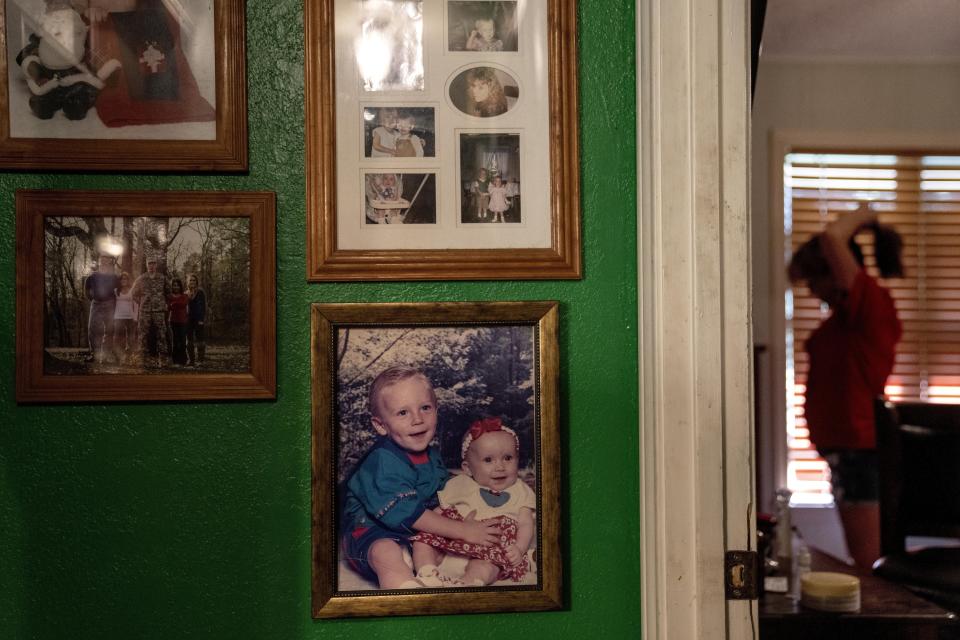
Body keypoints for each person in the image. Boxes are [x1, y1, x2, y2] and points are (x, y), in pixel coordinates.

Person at [788, 202, 904, 570]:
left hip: (862, 455)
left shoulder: (871, 306)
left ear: (835, 273)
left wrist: (864, 214)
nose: (810, 290)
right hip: (846, 455)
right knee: (865, 562)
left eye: (813, 279)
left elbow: (831, 237)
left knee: (870, 566)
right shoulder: (842, 321)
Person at [340, 366, 501, 589]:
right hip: (371, 532)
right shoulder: (381, 461)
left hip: (415, 535)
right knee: (386, 552)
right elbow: (409, 514)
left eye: (425, 408)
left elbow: (445, 489)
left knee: (471, 551)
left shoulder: (432, 456)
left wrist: (474, 494)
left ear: (436, 410)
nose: (417, 419)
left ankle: (453, 580)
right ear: (380, 425)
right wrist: (464, 530)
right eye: (402, 413)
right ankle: (404, 589)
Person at [412, 417, 536, 586]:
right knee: (423, 542)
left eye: (508, 458)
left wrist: (519, 549)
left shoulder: (520, 490)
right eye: (488, 460)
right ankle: (427, 573)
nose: (500, 467)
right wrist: (430, 530)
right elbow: (440, 512)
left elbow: (526, 524)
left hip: (490, 548)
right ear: (468, 468)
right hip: (449, 545)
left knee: (489, 566)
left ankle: (469, 583)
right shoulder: (459, 484)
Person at [131, 254, 170, 366]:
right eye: (149, 263)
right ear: (147, 265)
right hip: (145, 311)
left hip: (159, 311)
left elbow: (168, 292)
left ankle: (162, 359)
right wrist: (142, 302)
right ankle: (142, 359)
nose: (151, 266)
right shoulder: (141, 279)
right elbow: (133, 294)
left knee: (161, 334)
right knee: (143, 334)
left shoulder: (162, 278)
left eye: (153, 263)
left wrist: (164, 304)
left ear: (156, 265)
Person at [84, 253, 119, 363]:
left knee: (109, 330)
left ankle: (106, 355)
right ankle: (94, 354)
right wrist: (93, 299)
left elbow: (119, 289)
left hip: (110, 303)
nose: (104, 260)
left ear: (109, 261)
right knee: (92, 329)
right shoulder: (92, 276)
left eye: (106, 258)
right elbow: (86, 289)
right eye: (102, 258)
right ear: (99, 260)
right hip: (96, 304)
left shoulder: (113, 276)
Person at [112, 271, 137, 363]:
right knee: (119, 338)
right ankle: (119, 357)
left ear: (128, 280)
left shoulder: (132, 290)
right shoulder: (115, 291)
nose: (124, 280)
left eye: (126, 278)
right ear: (120, 280)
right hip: (118, 317)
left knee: (131, 338)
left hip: (130, 317)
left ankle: (130, 358)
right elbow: (112, 304)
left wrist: (135, 317)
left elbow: (136, 304)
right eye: (122, 279)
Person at [167, 277, 189, 366]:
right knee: (175, 342)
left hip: (183, 321)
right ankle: (175, 361)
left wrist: (173, 304)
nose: (176, 287)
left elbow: (183, 304)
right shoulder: (169, 296)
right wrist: (173, 305)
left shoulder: (184, 296)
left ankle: (183, 361)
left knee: (183, 341)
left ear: (180, 287)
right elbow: (168, 307)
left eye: (177, 286)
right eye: (174, 286)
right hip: (172, 321)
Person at [185, 274, 206, 366]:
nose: (192, 282)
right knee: (189, 340)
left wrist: (201, 319)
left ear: (196, 282)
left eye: (194, 280)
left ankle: (200, 360)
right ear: (187, 282)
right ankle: (191, 360)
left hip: (198, 319)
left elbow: (203, 307)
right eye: (190, 280)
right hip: (188, 319)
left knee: (200, 340)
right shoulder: (185, 294)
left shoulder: (200, 292)